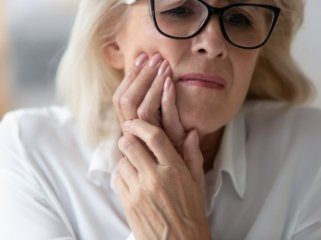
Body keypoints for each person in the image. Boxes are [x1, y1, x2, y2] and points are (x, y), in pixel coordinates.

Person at [0, 0, 320, 239]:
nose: (212, 44)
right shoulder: (31, 152)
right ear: (110, 43)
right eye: (179, 10)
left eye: (239, 18)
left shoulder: (309, 154)